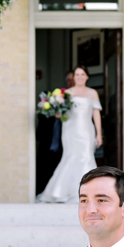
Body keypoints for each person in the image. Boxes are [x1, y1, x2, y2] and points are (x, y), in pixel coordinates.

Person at [38, 67, 104, 204]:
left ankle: (87, 193)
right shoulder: (66, 93)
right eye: (77, 75)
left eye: (82, 74)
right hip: (70, 131)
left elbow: (96, 113)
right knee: (70, 157)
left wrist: (99, 133)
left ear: (87, 76)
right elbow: (61, 113)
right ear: (74, 77)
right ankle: (61, 192)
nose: (79, 77)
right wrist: (56, 112)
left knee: (86, 157)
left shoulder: (92, 93)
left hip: (86, 130)